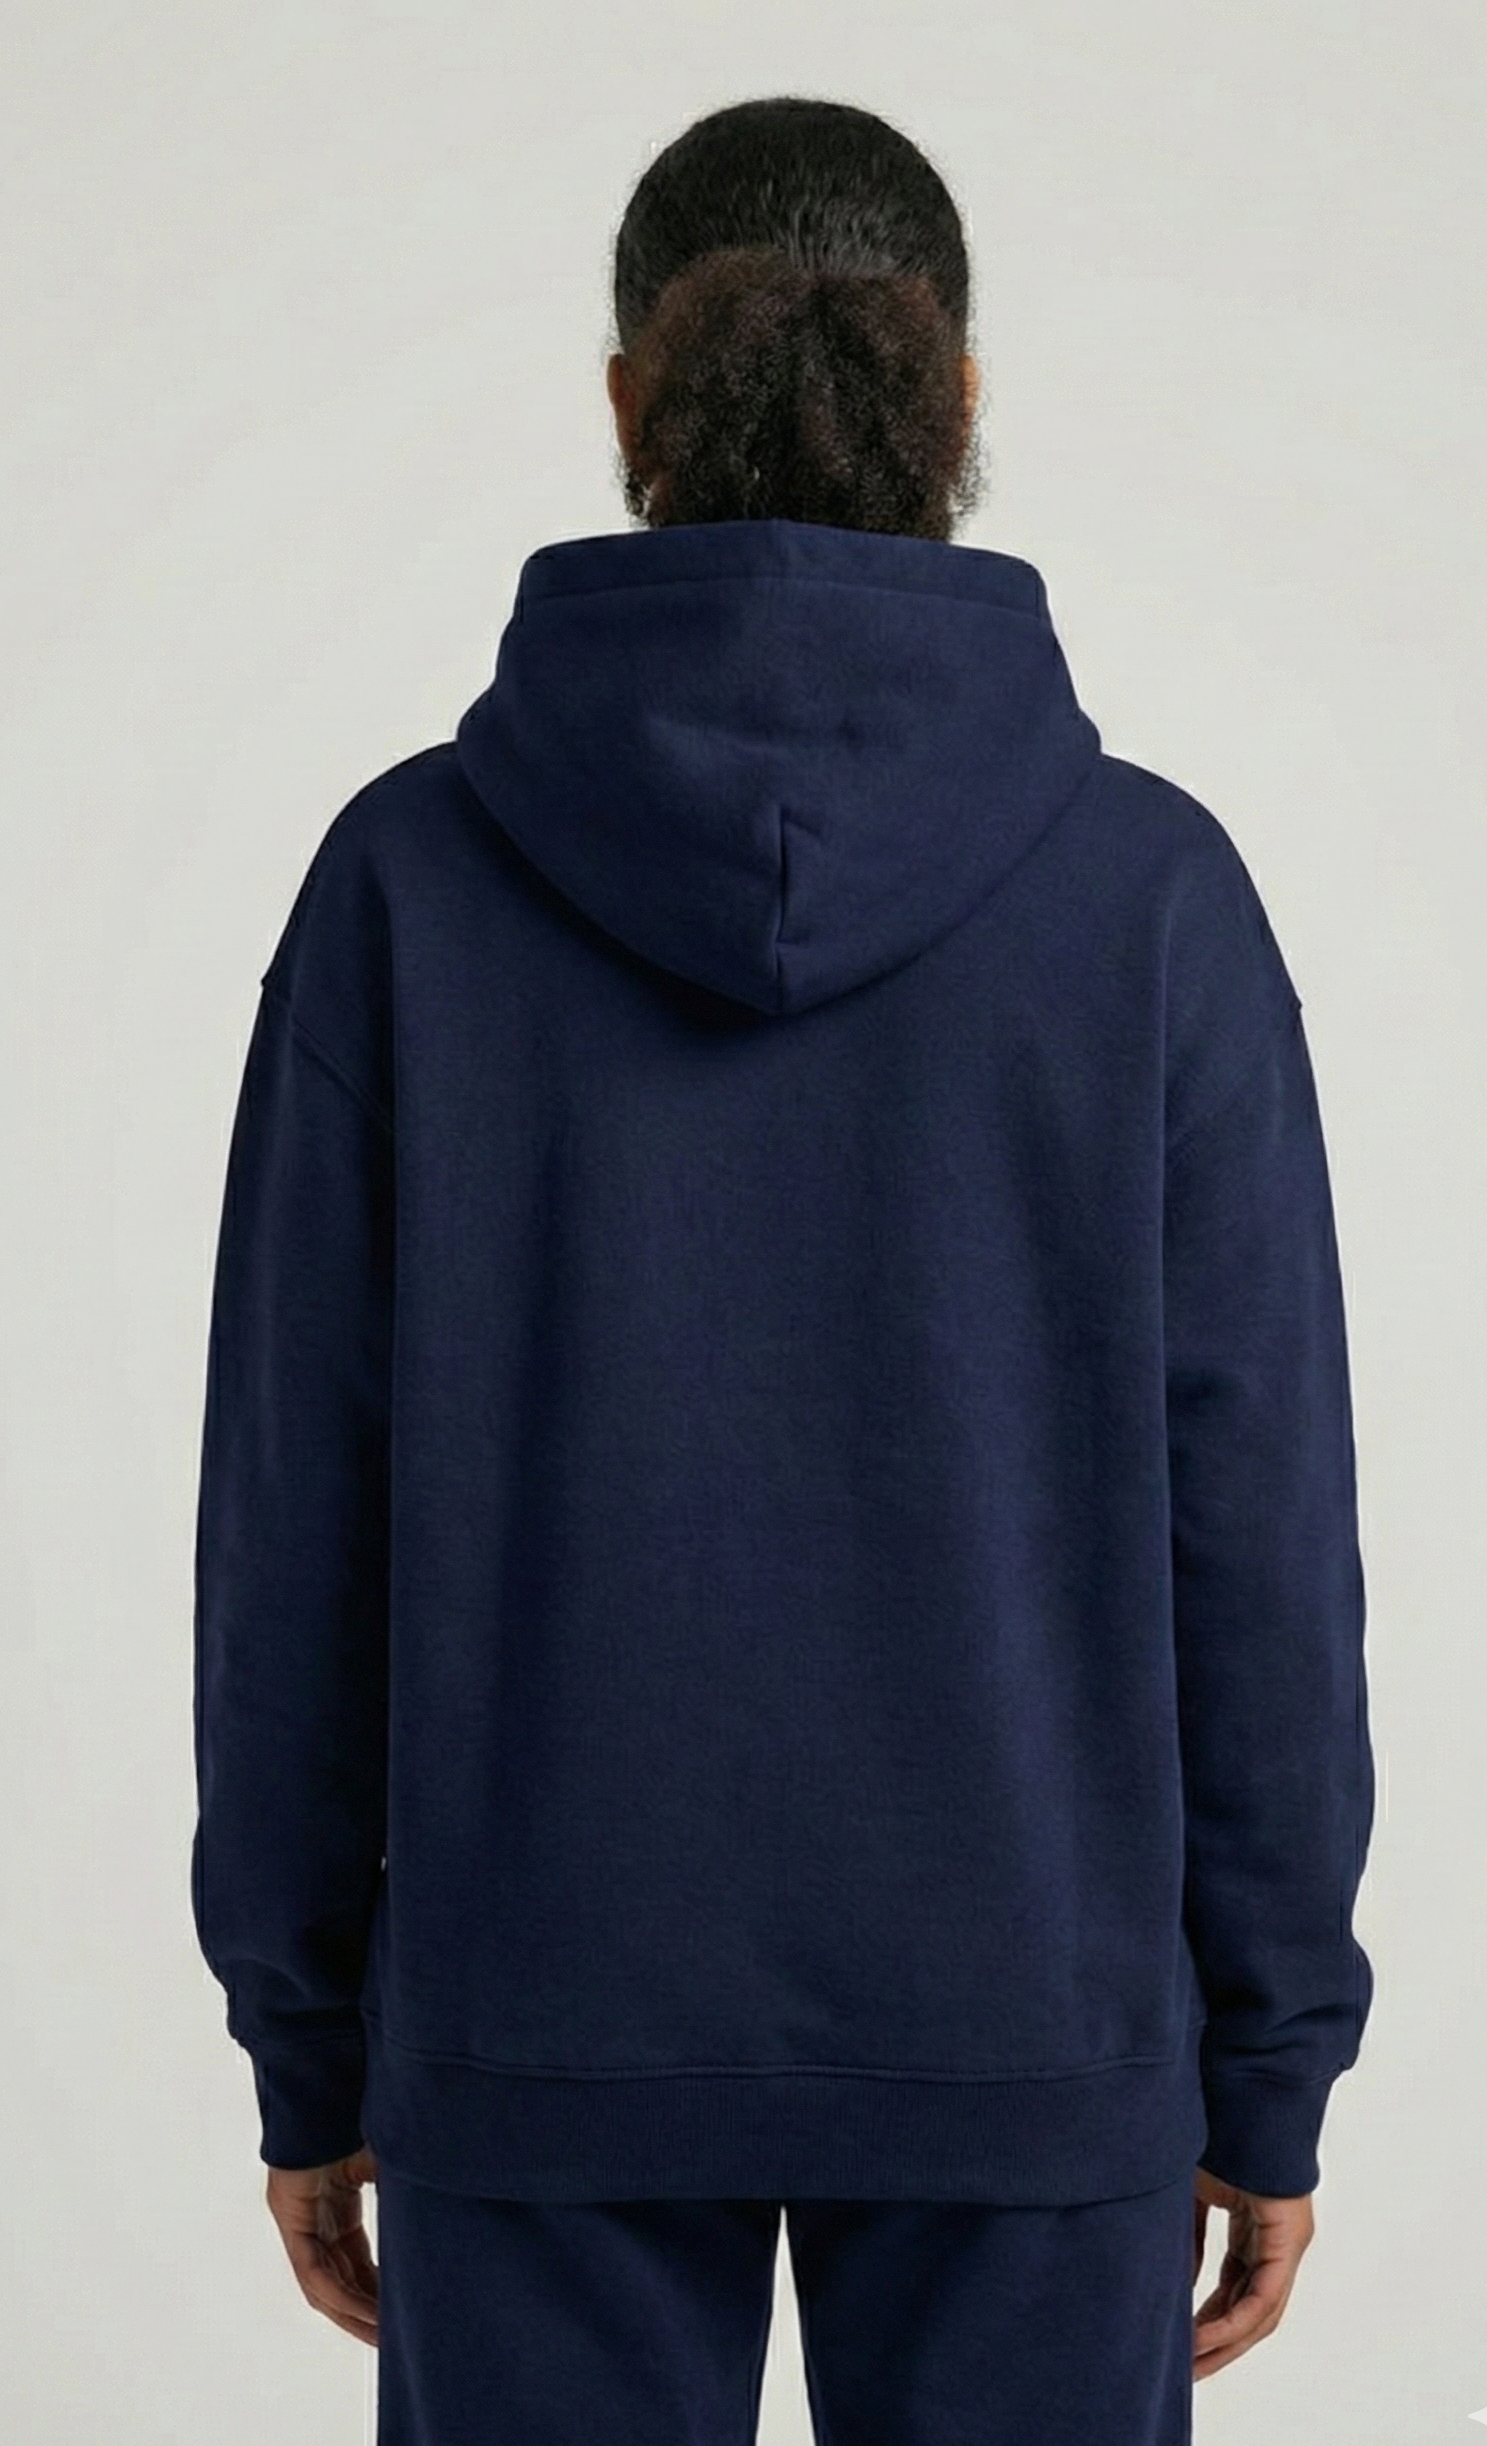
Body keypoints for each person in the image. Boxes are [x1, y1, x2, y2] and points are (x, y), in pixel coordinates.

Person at [190, 93, 1375, 2444]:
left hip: (530, 2023)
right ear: (957, 397)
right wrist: (1267, 2056)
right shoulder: (1145, 899)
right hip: (1036, 2033)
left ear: (627, 398)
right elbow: (1254, 1531)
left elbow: (291, 1523)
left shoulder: (408, 885)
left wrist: (307, 2030)